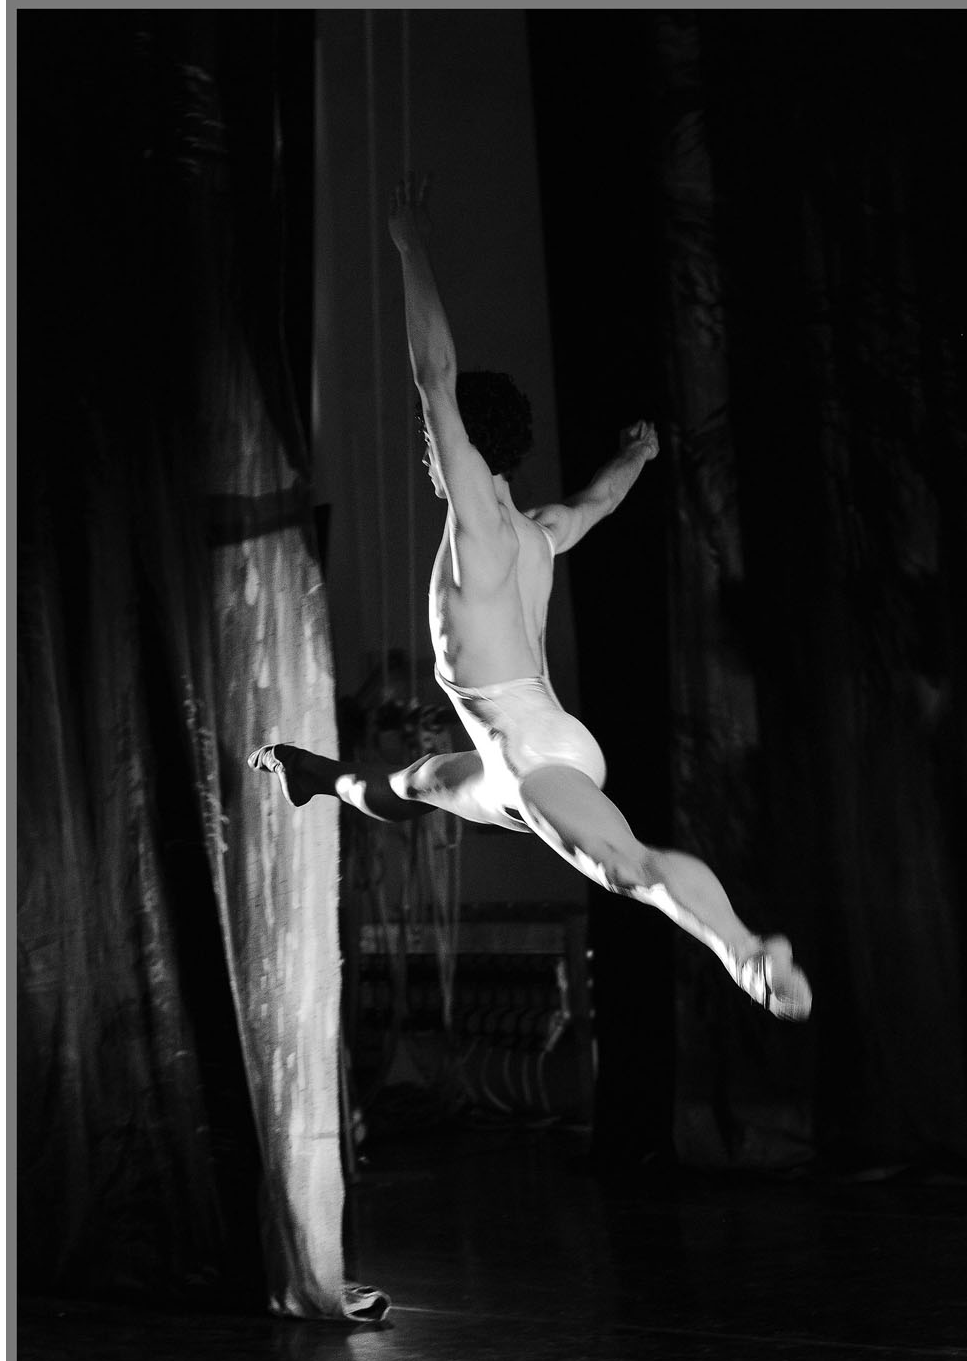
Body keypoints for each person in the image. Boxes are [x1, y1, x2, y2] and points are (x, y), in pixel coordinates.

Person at [251, 174, 809, 1021]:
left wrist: (409, 246)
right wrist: (636, 456)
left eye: (436, 446)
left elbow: (436, 377)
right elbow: (599, 503)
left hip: (531, 757)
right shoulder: (538, 533)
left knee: (627, 867)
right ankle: (311, 774)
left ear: (459, 451)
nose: (430, 457)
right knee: (413, 785)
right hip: (527, 745)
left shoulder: (478, 523)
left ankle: (743, 951)